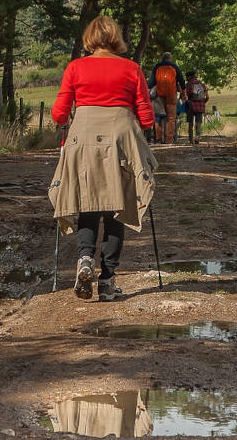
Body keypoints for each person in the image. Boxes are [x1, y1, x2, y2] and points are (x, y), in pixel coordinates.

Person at [49, 16, 157, 302]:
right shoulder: (131, 68)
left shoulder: (76, 67)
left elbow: (59, 114)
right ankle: (107, 281)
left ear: (89, 39)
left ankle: (85, 259)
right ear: (116, 38)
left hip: (83, 138)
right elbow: (146, 117)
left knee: (85, 201)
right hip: (120, 138)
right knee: (115, 208)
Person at [147, 52, 185, 143]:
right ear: (170, 58)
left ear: (162, 58)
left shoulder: (157, 67)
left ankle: (159, 138)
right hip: (171, 94)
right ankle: (169, 140)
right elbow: (182, 81)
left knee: (158, 117)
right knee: (171, 118)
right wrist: (183, 92)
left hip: (159, 96)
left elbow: (151, 82)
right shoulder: (174, 67)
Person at [183, 70, 209, 144]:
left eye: (186, 77)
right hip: (200, 106)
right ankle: (197, 137)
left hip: (191, 106)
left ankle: (191, 139)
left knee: (190, 123)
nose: (186, 78)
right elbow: (207, 96)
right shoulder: (201, 84)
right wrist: (203, 103)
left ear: (189, 77)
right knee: (199, 123)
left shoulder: (188, 84)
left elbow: (186, 95)